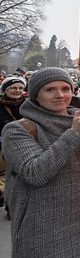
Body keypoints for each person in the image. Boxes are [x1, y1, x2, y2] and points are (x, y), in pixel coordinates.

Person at [2, 67, 80, 258]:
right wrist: (74, 134)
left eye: (65, 88)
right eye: (50, 89)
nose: (60, 95)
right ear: (35, 94)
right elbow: (35, 173)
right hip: (41, 231)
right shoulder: (17, 130)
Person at [0, 76, 28, 215]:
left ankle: (12, 205)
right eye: (13, 88)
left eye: (20, 88)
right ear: (5, 90)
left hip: (25, 145)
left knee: (19, 177)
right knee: (7, 175)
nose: (17, 91)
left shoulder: (28, 105)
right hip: (2, 146)